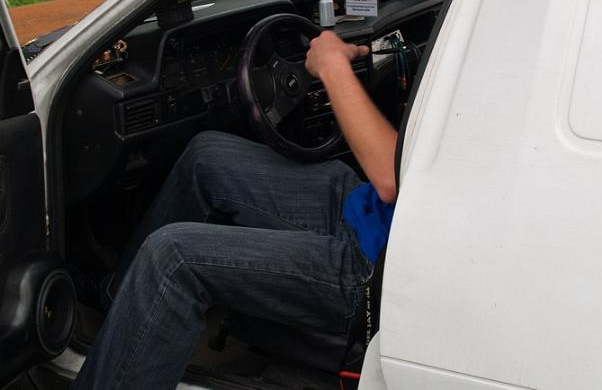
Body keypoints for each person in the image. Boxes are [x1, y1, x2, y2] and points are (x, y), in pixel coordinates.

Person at [72, 30, 398, 389]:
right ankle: (121, 298)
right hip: (378, 214)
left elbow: (390, 178)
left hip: (380, 268)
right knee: (206, 156)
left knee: (172, 257)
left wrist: (333, 66)